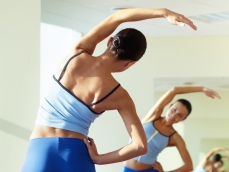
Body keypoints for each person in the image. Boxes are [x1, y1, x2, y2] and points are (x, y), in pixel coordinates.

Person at [21, 8, 197, 172]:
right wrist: (98, 159)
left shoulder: (76, 54)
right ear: (130, 63)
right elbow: (139, 146)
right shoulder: (120, 96)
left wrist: (164, 13)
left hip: (40, 148)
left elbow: (118, 17)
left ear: (110, 41)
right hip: (76, 153)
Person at [123, 86, 221, 172]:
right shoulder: (152, 117)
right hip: (127, 168)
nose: (174, 115)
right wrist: (202, 89)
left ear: (183, 119)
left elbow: (189, 166)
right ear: (170, 106)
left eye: (180, 115)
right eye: (174, 109)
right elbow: (174, 90)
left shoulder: (175, 137)